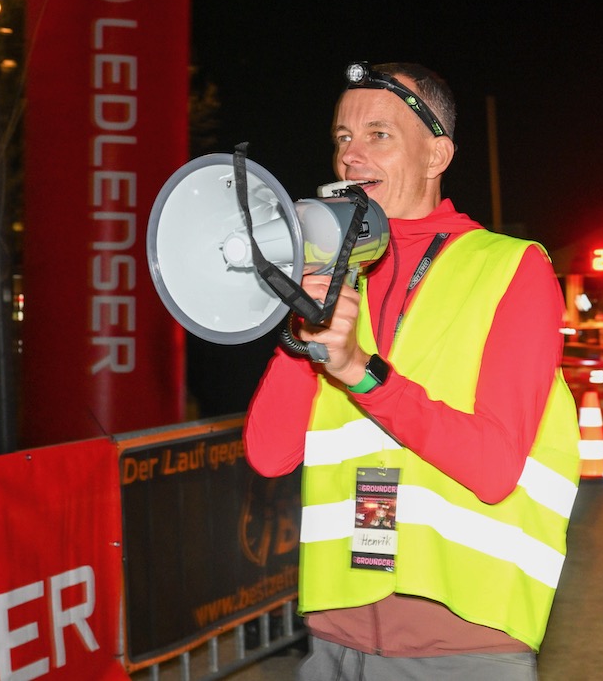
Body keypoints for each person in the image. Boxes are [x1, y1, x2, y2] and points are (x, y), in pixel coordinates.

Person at [243, 62, 581, 679]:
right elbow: (268, 453)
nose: (351, 157)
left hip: (463, 642)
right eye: (343, 138)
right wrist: (303, 330)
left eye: (379, 135)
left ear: (437, 154)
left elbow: (495, 469)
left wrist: (362, 372)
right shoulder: (336, 275)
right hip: (334, 636)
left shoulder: (512, 268)